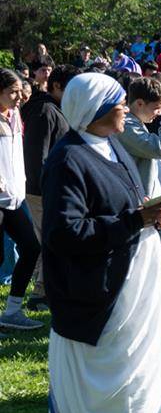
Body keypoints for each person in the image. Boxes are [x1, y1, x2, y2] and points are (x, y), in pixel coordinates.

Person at [41, 73, 161, 413]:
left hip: (131, 287)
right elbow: (66, 233)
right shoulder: (69, 159)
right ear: (95, 110)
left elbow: (126, 204)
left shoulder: (114, 146)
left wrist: (153, 214)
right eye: (118, 103)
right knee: (109, 380)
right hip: (99, 296)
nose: (125, 108)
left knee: (137, 377)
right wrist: (136, 221)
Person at [20, 64, 79, 310]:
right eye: (72, 89)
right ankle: (39, 295)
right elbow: (37, 156)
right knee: (48, 241)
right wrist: (49, 187)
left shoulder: (56, 108)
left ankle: (49, 288)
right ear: (56, 86)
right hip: (41, 190)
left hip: (53, 187)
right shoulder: (44, 111)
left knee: (52, 240)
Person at [0, 69, 43, 329]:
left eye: (20, 91)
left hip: (15, 198)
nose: (19, 97)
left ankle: (12, 311)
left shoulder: (15, 115)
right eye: (13, 92)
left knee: (31, 247)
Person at [113, 76, 161, 199]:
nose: (160, 113)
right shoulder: (127, 127)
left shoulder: (135, 122)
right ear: (139, 103)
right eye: (157, 108)